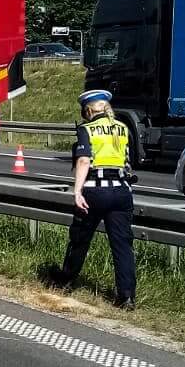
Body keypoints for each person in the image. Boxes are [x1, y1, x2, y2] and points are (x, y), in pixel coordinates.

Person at [52, 88, 136, 308]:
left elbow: (83, 160)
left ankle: (67, 280)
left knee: (80, 238)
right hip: (121, 190)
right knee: (122, 245)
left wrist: (77, 191)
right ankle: (126, 296)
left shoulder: (87, 130)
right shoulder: (122, 128)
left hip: (94, 190)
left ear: (88, 110)